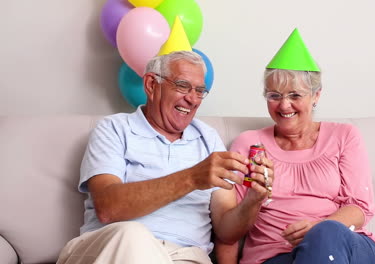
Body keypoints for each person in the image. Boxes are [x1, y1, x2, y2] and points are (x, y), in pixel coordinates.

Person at [57, 50, 274, 264]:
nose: (192, 99)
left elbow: (227, 231)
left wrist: (253, 200)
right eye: (182, 86)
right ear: (152, 85)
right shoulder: (113, 128)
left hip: (185, 256)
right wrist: (191, 178)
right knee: (133, 235)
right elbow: (108, 207)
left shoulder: (208, 139)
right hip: (112, 247)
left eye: (199, 91)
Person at [215, 29, 375, 264]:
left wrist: (318, 228)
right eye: (274, 95)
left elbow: (360, 207)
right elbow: (227, 234)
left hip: (344, 248)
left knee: (326, 233)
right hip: (276, 256)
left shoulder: (344, 136)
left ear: (316, 96)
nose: (284, 105)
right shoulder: (250, 144)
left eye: (295, 95)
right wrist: (254, 199)